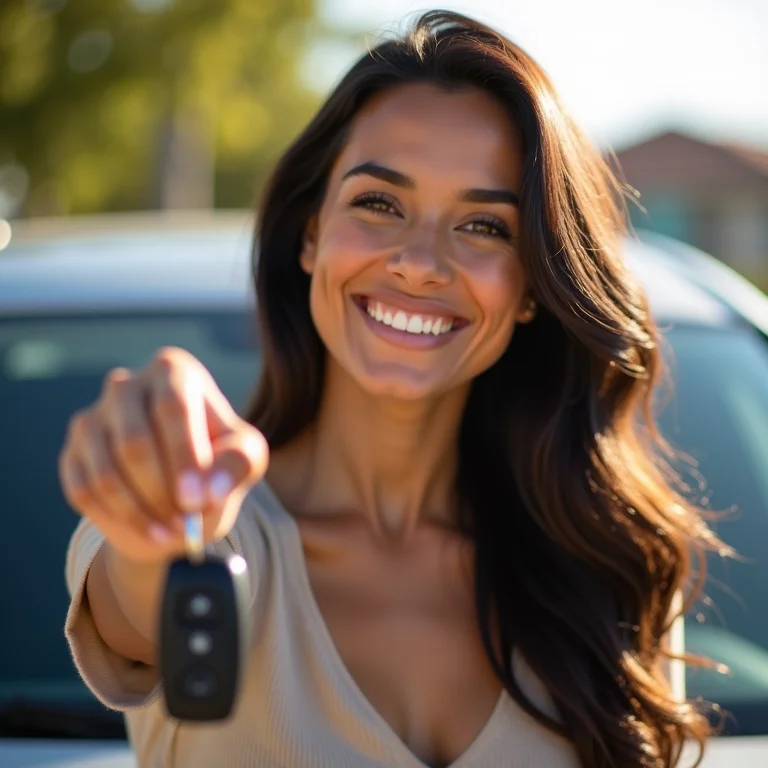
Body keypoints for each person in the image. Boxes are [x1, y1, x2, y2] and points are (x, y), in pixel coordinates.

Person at [59, 9, 725, 768]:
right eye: (379, 203)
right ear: (310, 233)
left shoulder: (609, 567)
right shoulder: (205, 535)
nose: (419, 262)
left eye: (485, 226)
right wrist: (152, 505)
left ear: (534, 287)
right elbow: (136, 599)